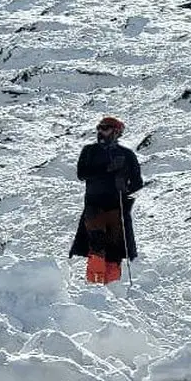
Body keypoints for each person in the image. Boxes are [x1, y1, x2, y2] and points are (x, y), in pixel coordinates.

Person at [69, 116, 143, 284]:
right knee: (97, 247)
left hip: (117, 207)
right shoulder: (89, 151)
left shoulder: (127, 155)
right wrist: (107, 169)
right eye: (99, 128)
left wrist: (125, 188)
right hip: (94, 206)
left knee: (114, 251)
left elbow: (137, 182)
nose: (101, 132)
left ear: (116, 132)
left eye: (105, 128)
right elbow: (82, 174)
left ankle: (111, 287)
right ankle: (94, 285)